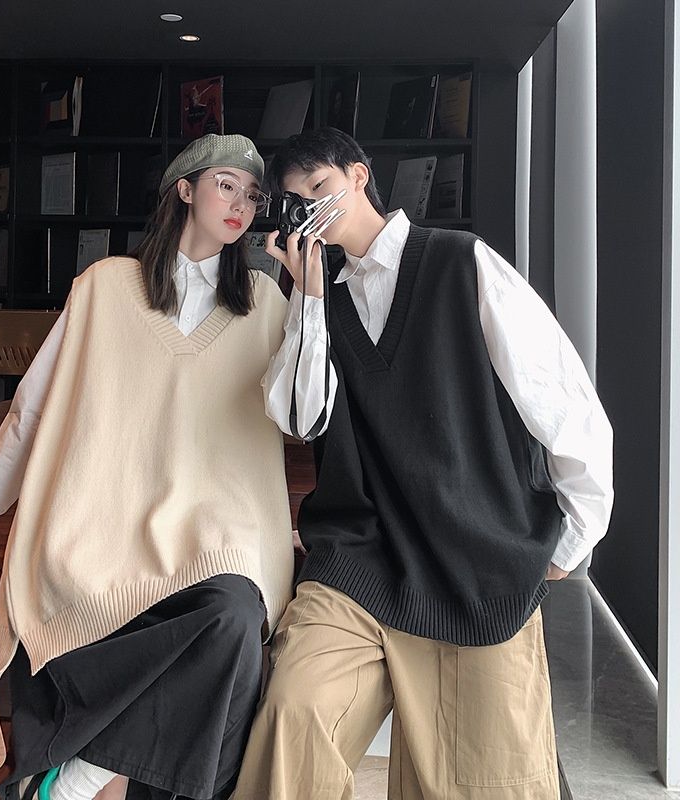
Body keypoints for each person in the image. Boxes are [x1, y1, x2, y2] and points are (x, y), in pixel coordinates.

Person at [0, 133, 330, 800]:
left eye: (252, 194)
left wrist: (311, 300)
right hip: (101, 536)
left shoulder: (267, 302)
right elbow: (31, 412)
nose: (241, 204)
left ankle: (77, 778)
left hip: (222, 543)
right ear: (184, 189)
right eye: (225, 185)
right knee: (207, 657)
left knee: (236, 618)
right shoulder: (104, 288)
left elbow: (304, 418)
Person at [231, 127, 615, 800]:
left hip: (477, 565)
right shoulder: (321, 299)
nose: (313, 209)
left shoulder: (461, 263)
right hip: (360, 563)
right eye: (298, 202)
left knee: (487, 780)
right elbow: (299, 417)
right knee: (295, 715)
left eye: (320, 187)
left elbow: (564, 401)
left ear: (358, 176)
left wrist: (571, 541)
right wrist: (309, 299)